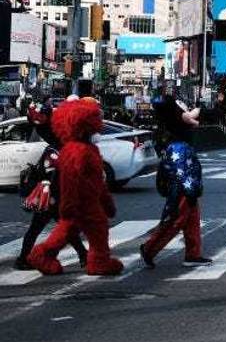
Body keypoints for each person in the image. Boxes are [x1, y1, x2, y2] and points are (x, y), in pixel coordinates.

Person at [27, 97, 124, 276]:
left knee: (71, 230)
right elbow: (70, 181)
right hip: (83, 202)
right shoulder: (78, 150)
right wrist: (69, 205)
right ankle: (97, 261)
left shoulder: (85, 149)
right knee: (94, 229)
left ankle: (43, 254)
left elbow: (98, 180)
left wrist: (106, 201)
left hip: (87, 201)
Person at [14, 102, 87, 270]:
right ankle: (23, 259)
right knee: (54, 227)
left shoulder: (55, 144)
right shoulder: (54, 147)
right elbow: (51, 173)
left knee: (55, 227)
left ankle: (83, 255)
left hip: (52, 193)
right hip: (50, 195)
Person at [140, 96, 212, 268]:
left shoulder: (177, 141)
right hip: (183, 190)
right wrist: (191, 190)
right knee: (175, 220)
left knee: (192, 222)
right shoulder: (178, 146)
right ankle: (149, 248)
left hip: (188, 187)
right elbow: (182, 174)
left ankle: (193, 255)